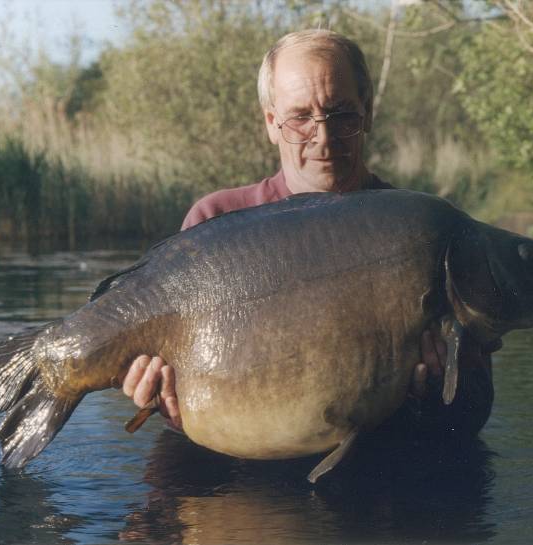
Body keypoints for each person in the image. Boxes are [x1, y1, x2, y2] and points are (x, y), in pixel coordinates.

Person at [120, 29, 494, 437]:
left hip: (373, 465)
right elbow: (181, 398)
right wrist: (158, 398)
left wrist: (438, 394)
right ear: (271, 123)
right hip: (237, 463)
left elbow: (473, 415)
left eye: (342, 114)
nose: (323, 136)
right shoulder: (214, 220)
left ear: (367, 112)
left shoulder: (420, 230)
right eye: (300, 117)